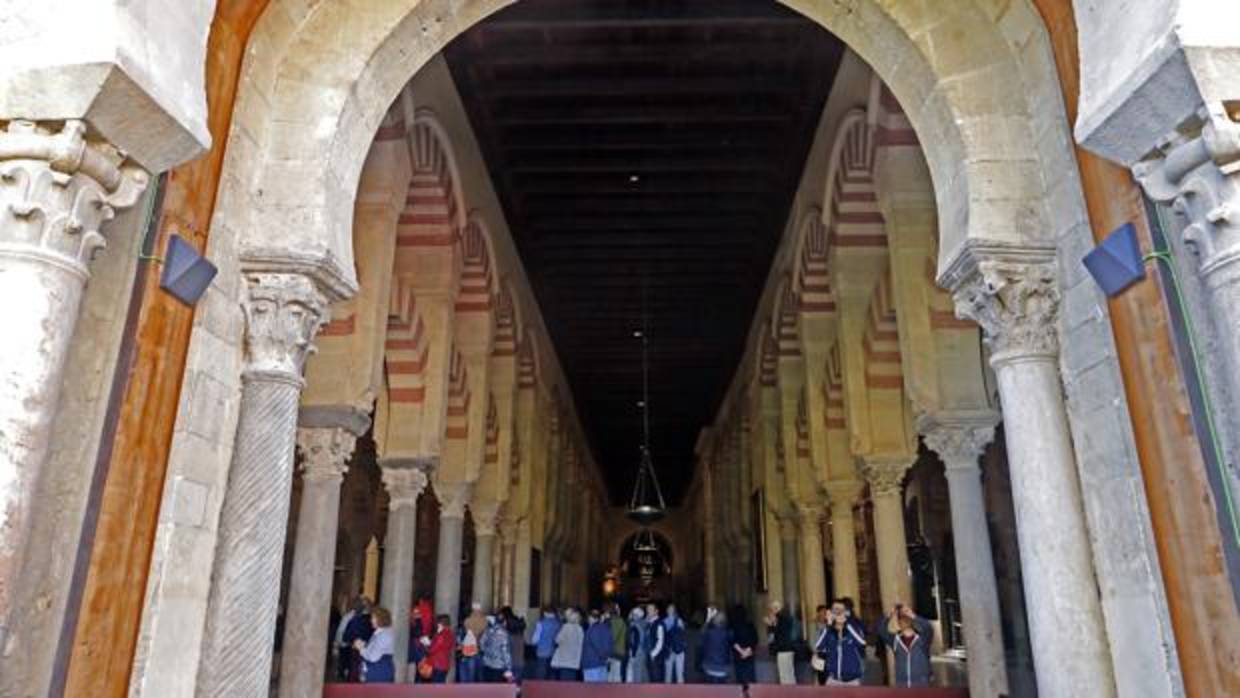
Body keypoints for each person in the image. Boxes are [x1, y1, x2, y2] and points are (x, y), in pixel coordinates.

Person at [876, 604, 933, 687]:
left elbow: (928, 628)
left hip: (920, 685)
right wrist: (889, 616)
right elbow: (881, 630)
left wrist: (913, 615)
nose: (904, 620)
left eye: (907, 616)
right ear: (898, 622)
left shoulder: (922, 639)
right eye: (902, 617)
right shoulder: (895, 640)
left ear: (912, 620)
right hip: (902, 685)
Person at [817, 599, 866, 686]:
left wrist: (846, 624)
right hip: (832, 680)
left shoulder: (853, 628)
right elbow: (819, 647)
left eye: (841, 610)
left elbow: (862, 643)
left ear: (846, 612)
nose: (838, 613)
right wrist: (828, 625)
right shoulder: (829, 631)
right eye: (835, 610)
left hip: (852, 681)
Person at [354, 607, 396, 683]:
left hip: (379, 673)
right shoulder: (382, 632)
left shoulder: (384, 635)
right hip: (380, 671)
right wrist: (365, 645)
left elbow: (373, 657)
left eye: (373, 618)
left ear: (380, 619)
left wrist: (361, 648)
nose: (371, 620)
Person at [340, 597, 374, 682]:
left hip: (356, 652)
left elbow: (346, 637)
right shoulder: (373, 620)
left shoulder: (355, 620)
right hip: (371, 652)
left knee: (355, 675)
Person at [766, 600, 796, 684]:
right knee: (789, 675)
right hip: (788, 649)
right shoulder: (787, 617)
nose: (771, 613)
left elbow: (776, 634)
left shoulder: (781, 617)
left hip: (783, 650)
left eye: (771, 610)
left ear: (776, 609)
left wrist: (770, 625)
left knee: (785, 676)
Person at [699, 609, 732, 684]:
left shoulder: (709, 633)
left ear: (713, 621)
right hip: (724, 668)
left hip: (709, 667)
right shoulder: (728, 633)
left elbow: (702, 632)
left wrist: (708, 619)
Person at [421, 614, 456, 683]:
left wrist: (425, 645)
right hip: (445, 663)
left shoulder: (441, 635)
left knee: (435, 686)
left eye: (437, 622)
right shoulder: (450, 634)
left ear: (440, 623)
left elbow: (432, 650)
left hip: (437, 664)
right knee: (441, 686)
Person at [551, 607, 584, 681]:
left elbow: (557, 640)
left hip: (564, 660)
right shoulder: (580, 629)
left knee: (564, 683)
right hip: (575, 660)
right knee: (571, 683)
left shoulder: (565, 627)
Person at [480, 614, 515, 683]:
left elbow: (481, 644)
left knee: (487, 687)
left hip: (487, 663)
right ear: (504, 622)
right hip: (498, 666)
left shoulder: (487, 630)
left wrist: (487, 652)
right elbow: (505, 652)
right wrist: (509, 667)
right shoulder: (503, 633)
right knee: (496, 689)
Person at [582, 609, 614, 682]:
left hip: (591, 663)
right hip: (603, 664)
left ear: (590, 618)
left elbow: (597, 646)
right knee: (602, 689)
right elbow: (611, 643)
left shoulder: (591, 630)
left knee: (590, 689)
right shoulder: (607, 628)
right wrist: (608, 657)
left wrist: (604, 657)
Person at [530, 606, 561, 680]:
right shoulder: (558, 623)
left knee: (541, 670)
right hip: (553, 650)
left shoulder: (541, 623)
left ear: (545, 613)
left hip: (542, 650)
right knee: (551, 671)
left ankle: (540, 687)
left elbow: (535, 638)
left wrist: (533, 643)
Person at [729, 604, 758, 686]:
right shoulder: (750, 625)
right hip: (749, 654)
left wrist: (741, 652)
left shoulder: (733, 625)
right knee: (751, 676)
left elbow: (732, 641)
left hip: (738, 655)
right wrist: (748, 651)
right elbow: (755, 639)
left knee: (740, 677)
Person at [458, 602, 486, 683]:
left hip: (468, 648)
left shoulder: (467, 620)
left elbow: (465, 633)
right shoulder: (485, 621)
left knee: (467, 673)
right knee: (479, 674)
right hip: (479, 649)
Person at [662, 602, 687, 683]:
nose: (669, 610)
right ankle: (681, 692)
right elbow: (683, 633)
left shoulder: (664, 621)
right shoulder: (679, 620)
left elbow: (662, 636)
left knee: (668, 673)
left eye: (670, 609)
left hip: (669, 649)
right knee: (679, 672)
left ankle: (666, 692)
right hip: (679, 648)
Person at [625, 607, 649, 683]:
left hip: (637, 652)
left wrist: (633, 654)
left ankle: (637, 691)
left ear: (637, 615)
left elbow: (634, 641)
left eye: (633, 614)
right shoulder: (645, 624)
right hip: (643, 651)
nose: (632, 616)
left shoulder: (635, 626)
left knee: (636, 672)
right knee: (643, 671)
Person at [644, 603, 667, 682]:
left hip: (656, 658)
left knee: (657, 682)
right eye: (647, 610)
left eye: (650, 610)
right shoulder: (649, 623)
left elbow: (660, 642)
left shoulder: (659, 623)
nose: (648, 611)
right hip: (650, 656)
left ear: (656, 611)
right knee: (652, 680)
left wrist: (652, 654)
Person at [606, 603, 627, 682]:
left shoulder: (616, 621)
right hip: (618, 652)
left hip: (615, 653)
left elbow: (612, 638)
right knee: (614, 676)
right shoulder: (620, 621)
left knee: (613, 677)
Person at [812, 605, 831, 685]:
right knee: (820, 674)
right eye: (822, 612)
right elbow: (812, 639)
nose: (824, 614)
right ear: (818, 613)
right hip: (819, 653)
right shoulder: (814, 625)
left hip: (828, 653)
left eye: (825, 612)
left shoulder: (829, 625)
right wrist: (815, 651)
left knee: (828, 673)